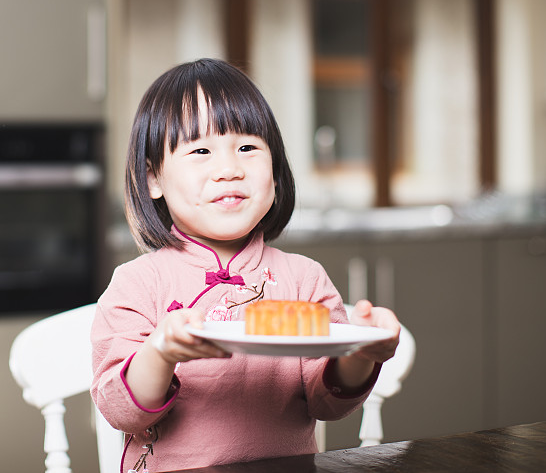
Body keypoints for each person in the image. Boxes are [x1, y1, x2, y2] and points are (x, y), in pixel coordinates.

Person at [91, 58, 400, 473]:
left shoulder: (304, 279)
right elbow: (122, 412)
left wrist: (362, 352)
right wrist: (160, 353)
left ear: (275, 170)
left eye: (248, 148)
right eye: (201, 150)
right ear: (153, 179)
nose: (229, 170)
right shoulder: (138, 284)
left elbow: (329, 403)